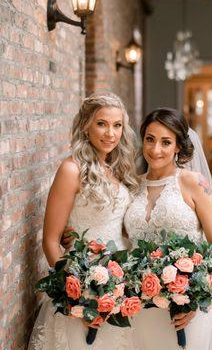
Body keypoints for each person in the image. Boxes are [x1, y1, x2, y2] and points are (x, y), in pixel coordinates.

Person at [28, 92, 139, 350]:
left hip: (119, 287)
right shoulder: (71, 169)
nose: (110, 133)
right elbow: (51, 242)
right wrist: (81, 297)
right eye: (101, 123)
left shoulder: (116, 169)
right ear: (86, 125)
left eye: (117, 125)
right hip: (83, 288)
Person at [124, 107, 212, 350]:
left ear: (178, 146)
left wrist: (200, 295)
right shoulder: (132, 186)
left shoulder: (193, 183)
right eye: (150, 139)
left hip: (185, 304)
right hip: (139, 302)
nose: (155, 149)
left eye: (165, 142)